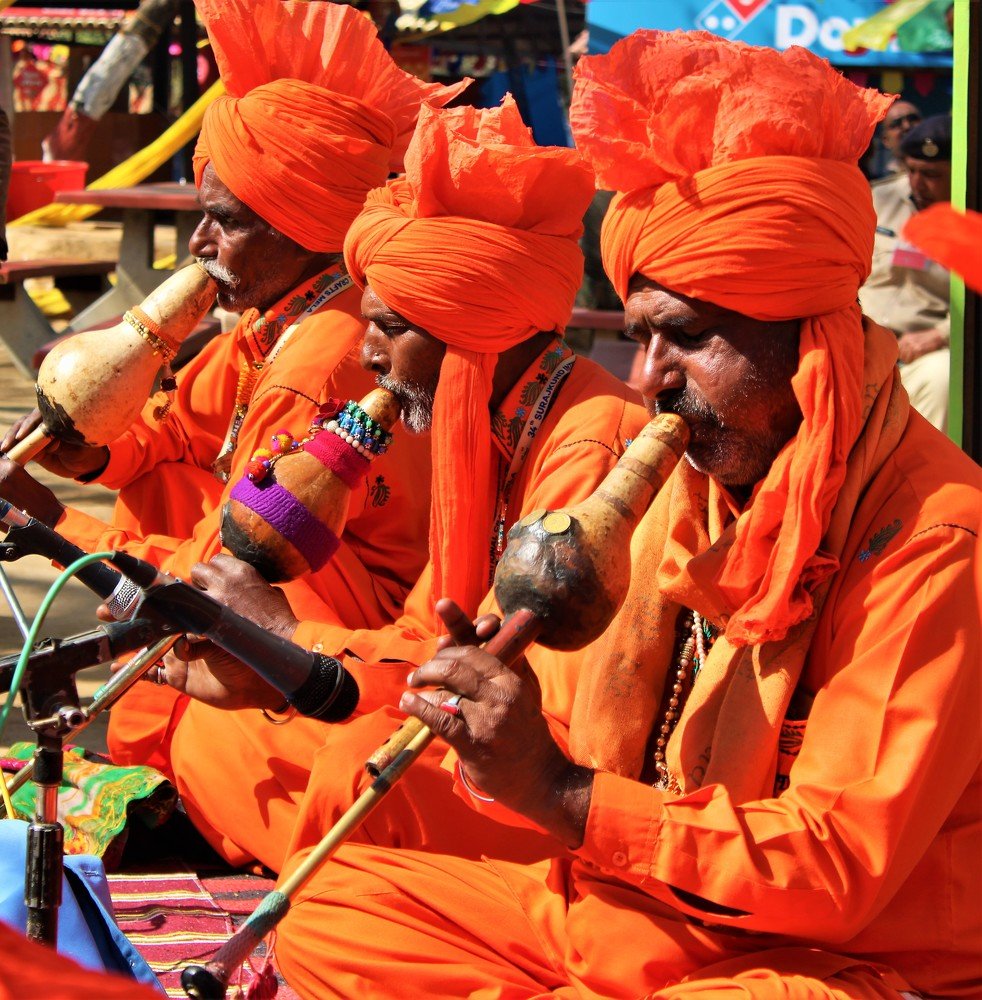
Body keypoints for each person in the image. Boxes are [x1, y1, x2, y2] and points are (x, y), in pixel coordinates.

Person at [271, 32, 981, 999]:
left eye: (686, 338)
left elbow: (835, 869)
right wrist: (494, 727)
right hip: (633, 912)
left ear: (811, 336)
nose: (652, 381)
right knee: (334, 911)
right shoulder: (673, 496)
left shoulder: (934, 540)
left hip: (825, 958)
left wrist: (562, 797)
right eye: (643, 340)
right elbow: (560, 727)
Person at [0, 0, 463, 862]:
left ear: (302, 227)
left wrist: (51, 524)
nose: (199, 241)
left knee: (219, 737)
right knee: (160, 475)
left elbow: (229, 561)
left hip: (329, 621)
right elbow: (171, 430)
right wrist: (92, 449)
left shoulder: (322, 359)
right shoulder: (269, 322)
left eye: (227, 220)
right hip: (273, 585)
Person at [159, 96, 650, 871]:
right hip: (451, 718)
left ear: (470, 332)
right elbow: (428, 637)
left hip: (548, 772)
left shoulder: (589, 446)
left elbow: (506, 698)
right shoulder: (486, 429)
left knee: (349, 776)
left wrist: (291, 645)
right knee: (216, 730)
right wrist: (279, 651)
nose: (371, 356)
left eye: (390, 329)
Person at [860, 115, 952, 431]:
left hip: (921, 353)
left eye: (931, 174)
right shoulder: (876, 199)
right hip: (858, 345)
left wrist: (940, 335)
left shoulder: (971, 222)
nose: (916, 183)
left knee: (944, 376)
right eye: (910, 170)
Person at [871, 99, 920, 179]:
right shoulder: (879, 184)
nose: (907, 126)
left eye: (913, 119)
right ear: (885, 140)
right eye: (897, 123)